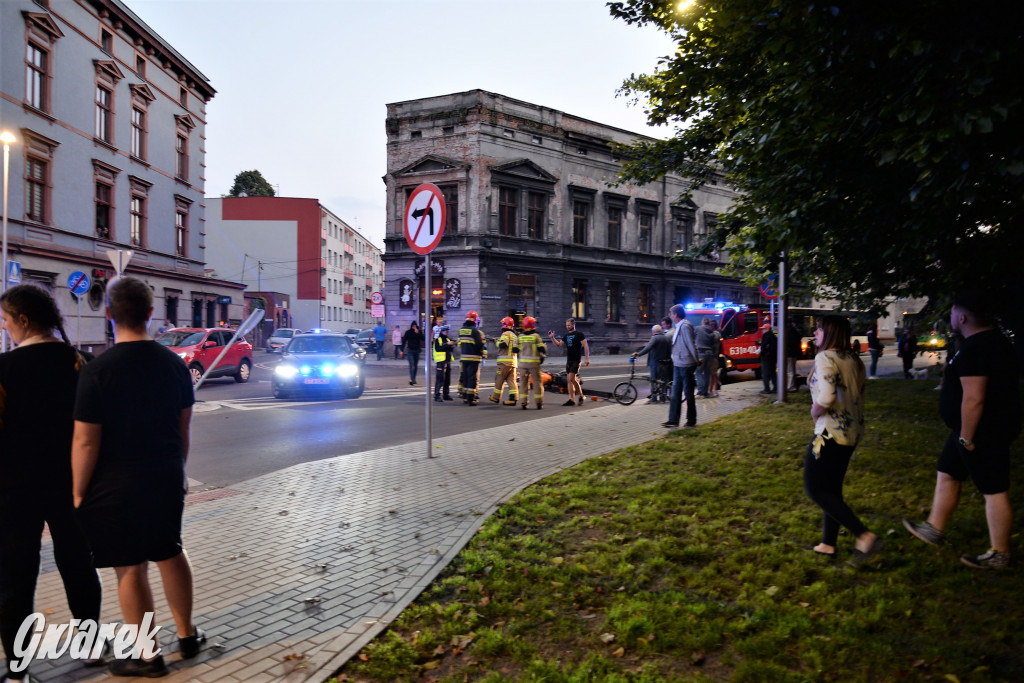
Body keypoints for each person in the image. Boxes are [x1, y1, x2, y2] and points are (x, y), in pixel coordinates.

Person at [71, 277, 204, 678]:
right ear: (151, 314)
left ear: (109, 313)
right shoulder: (174, 365)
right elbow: (183, 431)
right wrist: (175, 470)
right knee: (170, 551)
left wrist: (78, 491)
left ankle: (147, 657)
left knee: (130, 568)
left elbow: (85, 442)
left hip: (115, 485)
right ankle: (186, 635)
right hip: (164, 475)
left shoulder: (97, 372)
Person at [1, 285, 104, 682]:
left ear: (23, 321)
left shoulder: (3, 370)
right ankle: (91, 646)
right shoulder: (82, 363)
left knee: (15, 576)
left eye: (7, 321)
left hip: (13, 491)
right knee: (79, 565)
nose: (6, 328)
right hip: (73, 485)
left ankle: (17, 670)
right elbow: (96, 432)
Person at [903, 293, 1021, 570]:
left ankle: (1000, 554)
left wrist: (967, 436)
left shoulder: (977, 348)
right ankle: (934, 528)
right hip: (975, 427)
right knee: (948, 471)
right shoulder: (993, 342)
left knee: (994, 488)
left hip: (981, 430)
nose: (952, 316)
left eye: (954, 312)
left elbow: (974, 398)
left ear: (963, 317)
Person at [803, 315, 881, 567]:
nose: (815, 333)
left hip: (829, 433)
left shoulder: (826, 358)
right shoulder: (854, 359)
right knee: (831, 489)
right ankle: (828, 543)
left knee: (814, 488)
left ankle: (864, 535)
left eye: (819, 330)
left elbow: (826, 398)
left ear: (830, 333)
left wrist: (815, 412)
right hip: (852, 431)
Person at [664, 304, 698, 429]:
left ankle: (691, 420)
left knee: (688, 393)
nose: (670, 316)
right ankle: (673, 419)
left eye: (671, 314)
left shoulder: (685, 327)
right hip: (678, 363)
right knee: (675, 393)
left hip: (686, 364)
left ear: (676, 314)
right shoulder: (679, 326)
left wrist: (696, 361)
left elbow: (690, 344)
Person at [547, 318, 590, 407]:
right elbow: (559, 345)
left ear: (573, 325)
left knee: (571, 378)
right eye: (566, 325)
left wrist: (587, 359)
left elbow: (585, 346)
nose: (568, 327)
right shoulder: (566, 336)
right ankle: (571, 399)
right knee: (569, 381)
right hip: (569, 360)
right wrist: (552, 338)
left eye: (569, 325)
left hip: (576, 360)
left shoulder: (579, 334)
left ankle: (581, 395)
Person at [632, 324, 671, 403]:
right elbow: (669, 351)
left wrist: (638, 354)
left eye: (652, 331)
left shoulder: (655, 338)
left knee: (654, 381)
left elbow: (647, 348)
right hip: (665, 363)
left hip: (655, 363)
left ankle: (654, 398)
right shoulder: (667, 338)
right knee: (663, 381)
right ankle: (662, 398)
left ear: (654, 331)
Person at [457, 311, 486, 405]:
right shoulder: (475, 331)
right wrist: (481, 352)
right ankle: (471, 399)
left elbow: (459, 343)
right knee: (472, 379)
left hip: (464, 358)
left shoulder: (462, 330)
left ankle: (465, 397)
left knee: (465, 377)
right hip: (473, 358)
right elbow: (479, 344)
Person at [517, 316, 546, 410]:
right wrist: (543, 355)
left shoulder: (520, 337)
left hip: (522, 365)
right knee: (537, 383)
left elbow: (514, 349)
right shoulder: (536, 336)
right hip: (534, 364)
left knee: (523, 383)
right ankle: (539, 403)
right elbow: (542, 349)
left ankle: (523, 403)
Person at [489, 317, 519, 406]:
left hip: (504, 363)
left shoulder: (505, 334)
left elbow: (503, 345)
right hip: (513, 362)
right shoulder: (514, 335)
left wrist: (496, 342)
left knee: (499, 379)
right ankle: (513, 399)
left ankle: (495, 397)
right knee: (511, 380)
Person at [432, 325, 455, 402]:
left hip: (447, 361)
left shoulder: (447, 339)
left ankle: (446, 394)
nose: (447, 332)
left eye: (447, 331)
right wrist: (447, 345)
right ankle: (437, 395)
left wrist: (451, 347)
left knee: (447, 380)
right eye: (446, 331)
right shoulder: (438, 340)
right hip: (441, 362)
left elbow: (449, 350)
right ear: (442, 331)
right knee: (440, 379)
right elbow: (438, 349)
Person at [695, 317, 715, 398]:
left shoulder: (698, 328)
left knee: (698, 372)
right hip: (709, 354)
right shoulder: (712, 332)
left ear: (702, 322)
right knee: (707, 373)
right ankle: (705, 392)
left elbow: (692, 336)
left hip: (701, 353)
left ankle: (700, 392)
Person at [759, 322, 777, 393]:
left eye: (763, 329)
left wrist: (761, 353)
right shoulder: (774, 335)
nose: (762, 330)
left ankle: (766, 388)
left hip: (766, 357)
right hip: (773, 357)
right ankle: (776, 387)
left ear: (767, 329)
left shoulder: (766, 335)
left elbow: (763, 346)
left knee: (765, 373)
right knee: (773, 373)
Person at [707, 320, 723, 397]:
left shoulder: (715, 334)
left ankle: (711, 390)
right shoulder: (718, 334)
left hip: (713, 356)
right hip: (715, 356)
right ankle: (714, 389)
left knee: (712, 374)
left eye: (711, 325)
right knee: (714, 373)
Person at [786, 319, 801, 391]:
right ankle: (791, 386)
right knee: (791, 370)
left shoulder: (789, 331)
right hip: (792, 353)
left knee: (790, 371)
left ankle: (791, 387)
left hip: (790, 353)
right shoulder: (793, 331)